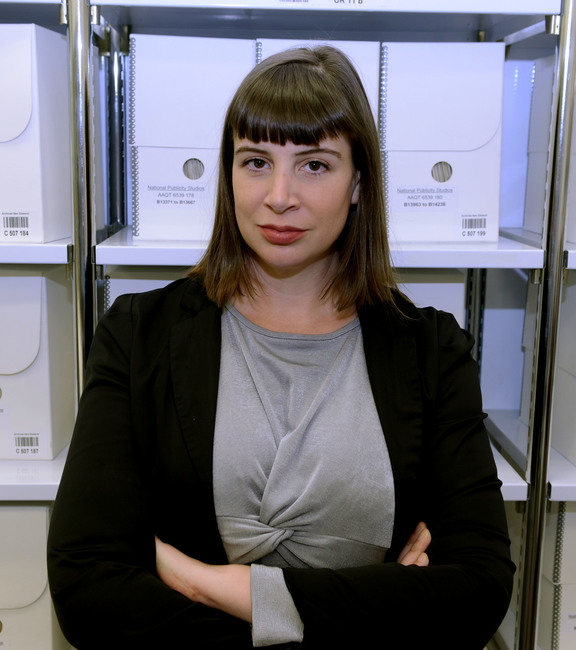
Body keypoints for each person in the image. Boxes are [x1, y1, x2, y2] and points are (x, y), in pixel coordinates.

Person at [47, 45, 514, 649]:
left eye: (315, 165)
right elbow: (87, 590)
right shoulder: (138, 334)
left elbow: (477, 591)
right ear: (229, 175)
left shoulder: (432, 350)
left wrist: (208, 585)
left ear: (358, 183)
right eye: (256, 162)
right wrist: (378, 606)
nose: (279, 195)